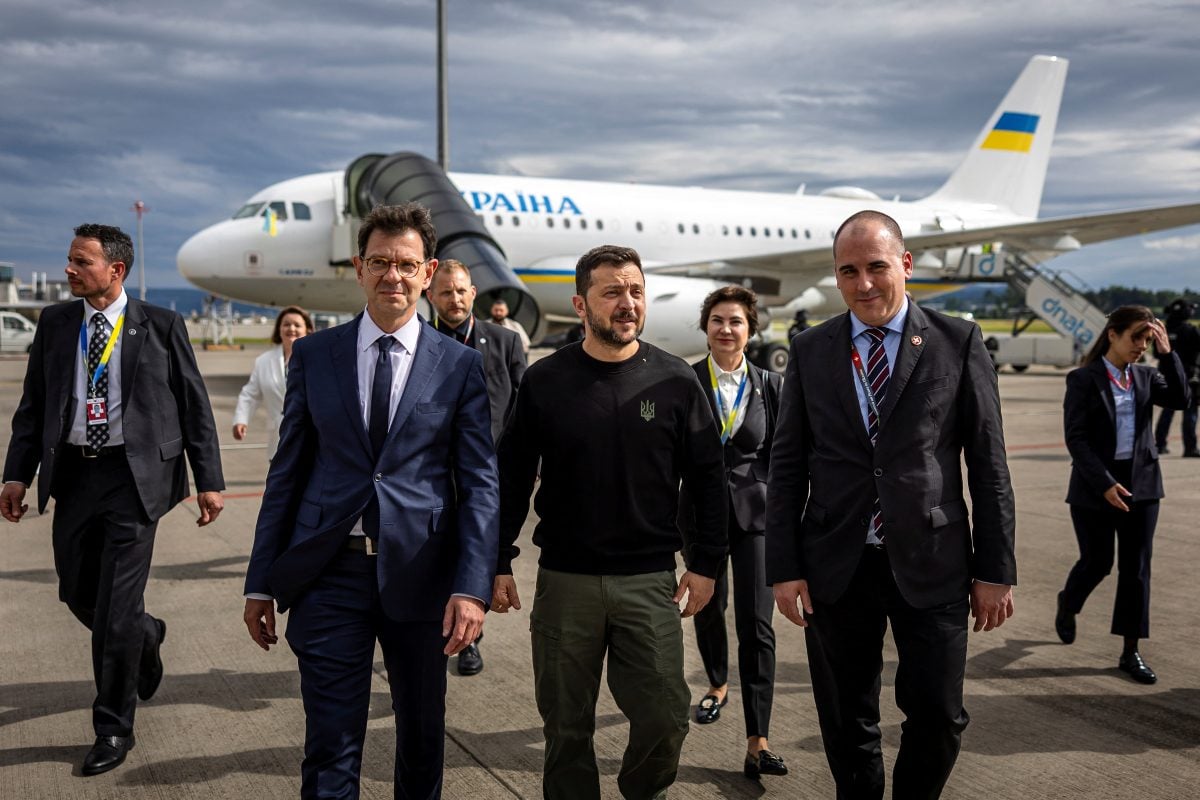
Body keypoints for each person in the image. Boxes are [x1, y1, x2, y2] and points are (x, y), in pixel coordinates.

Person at [242, 203, 499, 800]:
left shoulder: (459, 365)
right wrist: (260, 581)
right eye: (380, 262)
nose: (394, 276)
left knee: (421, 737)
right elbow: (287, 473)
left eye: (407, 265)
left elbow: (480, 483)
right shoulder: (314, 355)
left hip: (423, 576)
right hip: (330, 574)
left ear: (428, 271)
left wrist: (471, 584)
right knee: (330, 744)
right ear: (359, 268)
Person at [766, 210, 1016, 800]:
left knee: (939, 716)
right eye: (848, 272)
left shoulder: (958, 341)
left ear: (905, 265)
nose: (864, 284)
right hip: (835, 563)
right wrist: (783, 566)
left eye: (877, 267)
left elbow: (988, 464)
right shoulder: (809, 349)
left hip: (934, 560)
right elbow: (787, 465)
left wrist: (996, 568)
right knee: (846, 720)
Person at [492, 244, 727, 799]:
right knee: (566, 730)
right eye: (613, 292)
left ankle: (641, 791)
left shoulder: (675, 381)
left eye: (636, 291)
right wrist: (497, 560)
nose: (628, 303)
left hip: (648, 582)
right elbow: (511, 478)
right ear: (581, 304)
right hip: (566, 582)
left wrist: (706, 563)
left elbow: (707, 480)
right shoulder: (545, 382)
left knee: (667, 715)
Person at [0, 224, 225, 776]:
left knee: (116, 610)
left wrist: (210, 480)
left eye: (80, 261)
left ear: (115, 271)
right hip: (73, 475)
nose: (69, 270)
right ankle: (147, 636)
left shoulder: (162, 324)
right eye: (70, 260)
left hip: (134, 479)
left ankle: (113, 727)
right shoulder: (54, 324)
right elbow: (34, 405)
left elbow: (195, 406)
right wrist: (16, 474)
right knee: (78, 592)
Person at [680, 286, 787, 780]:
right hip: (699, 518)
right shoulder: (684, 381)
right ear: (706, 328)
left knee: (757, 624)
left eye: (736, 321)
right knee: (707, 608)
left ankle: (758, 739)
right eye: (718, 320)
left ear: (751, 329)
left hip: (755, 517)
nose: (727, 329)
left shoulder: (771, 385)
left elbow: (786, 460)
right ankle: (718, 683)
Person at [1054, 305, 1189, 684]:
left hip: (1142, 487)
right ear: (1112, 334)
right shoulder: (1082, 379)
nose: (1141, 346)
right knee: (1097, 563)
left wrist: (1168, 354)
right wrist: (1104, 483)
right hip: (1095, 487)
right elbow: (1076, 439)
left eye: (1147, 340)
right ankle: (1069, 602)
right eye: (1136, 337)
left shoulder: (1145, 377)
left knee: (1136, 571)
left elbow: (1181, 399)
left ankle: (1130, 652)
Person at [426, 259, 526, 675]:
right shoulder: (419, 341)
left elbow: (523, 406)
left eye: (461, 291)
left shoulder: (504, 341)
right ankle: (435, 632)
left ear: (474, 293)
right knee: (437, 557)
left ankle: (470, 638)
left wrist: (527, 463)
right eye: (445, 292)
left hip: (490, 471)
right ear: (430, 295)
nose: (454, 299)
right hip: (433, 472)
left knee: (478, 554)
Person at [232, 305, 314, 460]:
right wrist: (241, 419)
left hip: (312, 442)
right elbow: (250, 394)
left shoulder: (318, 360)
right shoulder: (263, 361)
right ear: (279, 329)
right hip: (278, 441)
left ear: (308, 330)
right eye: (286, 324)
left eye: (297, 325)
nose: (291, 328)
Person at [1152, 298, 1199, 456]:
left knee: (1167, 411)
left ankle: (1159, 444)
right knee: (1190, 412)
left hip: (1166, 375)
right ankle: (1190, 447)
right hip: (1189, 377)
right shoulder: (1191, 330)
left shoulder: (1164, 330)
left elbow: (1156, 353)